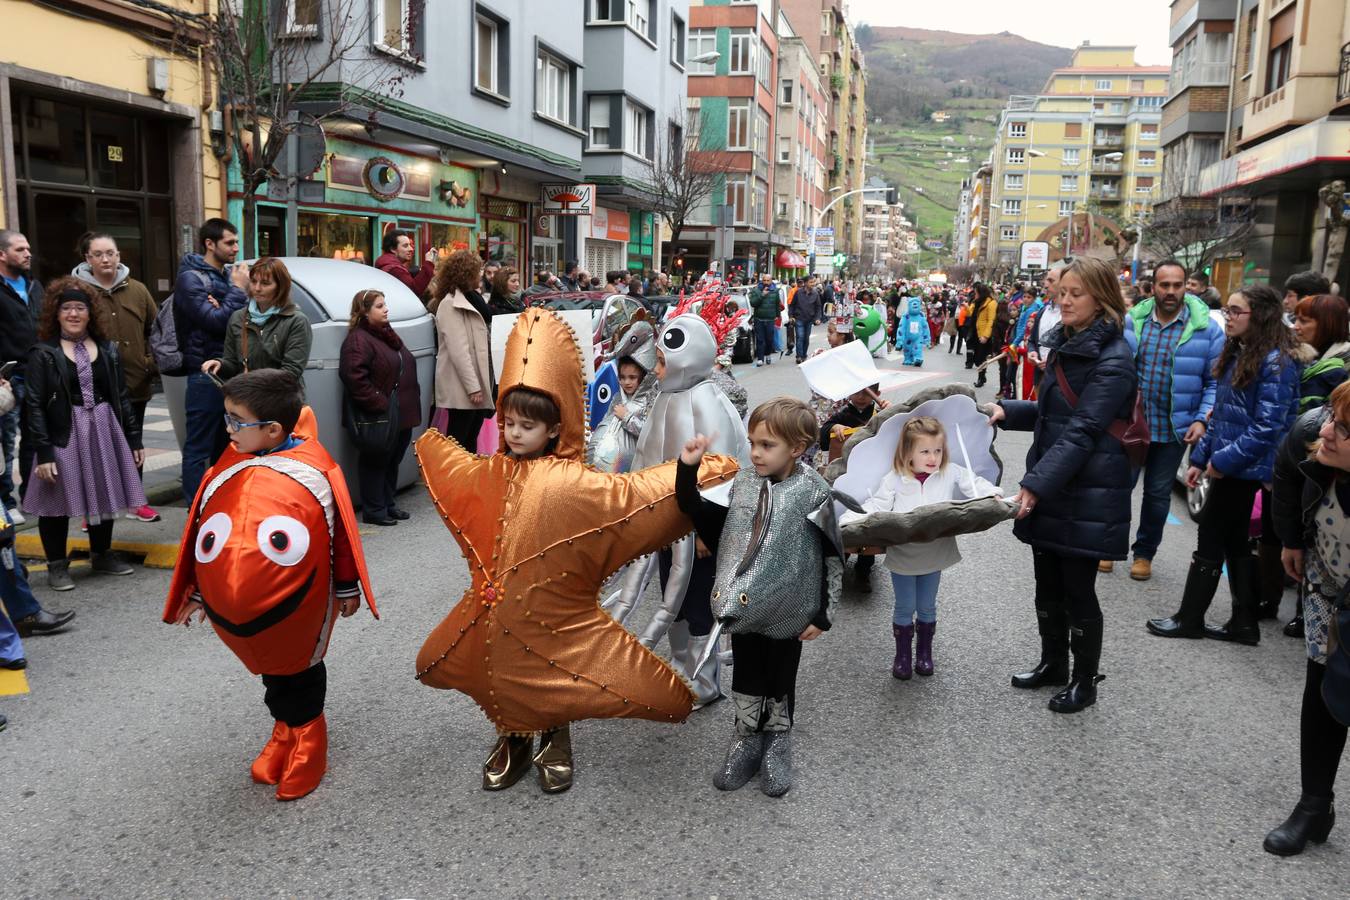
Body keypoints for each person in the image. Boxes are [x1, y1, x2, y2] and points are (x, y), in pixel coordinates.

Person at [414, 310, 741, 795]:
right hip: (491, 611)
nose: (515, 433)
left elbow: (634, 499)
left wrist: (691, 473)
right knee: (501, 662)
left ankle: (553, 735)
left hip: (556, 616)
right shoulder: (485, 475)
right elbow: (441, 461)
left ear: (554, 428)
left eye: (528, 424)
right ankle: (511, 735)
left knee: (551, 667)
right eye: (508, 423)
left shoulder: (578, 486)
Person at [164, 369, 376, 802]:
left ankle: (309, 737)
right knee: (272, 673)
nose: (227, 429)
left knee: (300, 668)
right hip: (258, 607)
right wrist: (202, 591)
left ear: (273, 429)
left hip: (304, 601)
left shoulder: (314, 469)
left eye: (236, 422)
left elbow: (338, 537)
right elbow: (217, 536)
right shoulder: (232, 463)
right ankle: (285, 730)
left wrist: (347, 587)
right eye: (227, 418)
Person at [988, 257, 1137, 714]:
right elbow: (1054, 416)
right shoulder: (1067, 344)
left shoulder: (1114, 359)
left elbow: (1083, 431)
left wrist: (1034, 487)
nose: (1065, 299)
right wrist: (1006, 412)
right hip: (1057, 482)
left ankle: (1084, 681)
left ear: (1102, 299)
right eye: (1062, 291)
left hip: (1087, 491)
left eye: (1077, 293)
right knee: (1047, 584)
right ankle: (1052, 662)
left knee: (1078, 590)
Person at [676, 398, 842, 797]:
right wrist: (688, 468)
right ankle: (746, 737)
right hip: (745, 607)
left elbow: (834, 554)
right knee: (748, 673)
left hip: (791, 610)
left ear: (797, 448)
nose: (754, 452)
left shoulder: (815, 491)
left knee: (781, 676)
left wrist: (824, 613)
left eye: (767, 445)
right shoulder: (743, 484)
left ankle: (777, 740)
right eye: (752, 442)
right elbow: (697, 511)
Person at [1146, 284, 1299, 645]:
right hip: (1232, 464)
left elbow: (1269, 427)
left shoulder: (1276, 360)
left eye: (1236, 311)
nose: (1228, 318)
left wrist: (1222, 461)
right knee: (1233, 542)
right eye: (1228, 310)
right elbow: (1221, 415)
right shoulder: (1242, 352)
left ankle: (1190, 618)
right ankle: (1243, 623)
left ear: (1258, 316)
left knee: (1212, 535)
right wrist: (1201, 458)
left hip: (1246, 468)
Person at [842, 416, 999, 679]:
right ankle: (902, 656)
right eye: (924, 451)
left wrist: (992, 494)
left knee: (927, 606)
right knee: (905, 606)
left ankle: (924, 654)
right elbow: (876, 505)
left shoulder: (951, 471)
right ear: (908, 452)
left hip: (935, 551)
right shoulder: (895, 478)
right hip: (904, 552)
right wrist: (848, 520)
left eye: (937, 450)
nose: (933, 457)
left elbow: (975, 486)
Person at [1266, 385, 1350, 856]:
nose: (1328, 431)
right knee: (1322, 687)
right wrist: (1291, 541)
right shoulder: (1310, 434)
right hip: (1326, 579)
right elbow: (1285, 476)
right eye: (1333, 417)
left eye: (1344, 427)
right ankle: (1314, 805)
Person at [21, 279, 146, 591]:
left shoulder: (107, 350)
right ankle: (56, 565)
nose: (74, 314)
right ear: (56, 314)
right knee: (56, 499)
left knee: (104, 489)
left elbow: (120, 395)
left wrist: (133, 439)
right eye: (67, 308)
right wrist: (44, 452)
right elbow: (34, 405)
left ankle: (102, 554)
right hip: (63, 432)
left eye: (80, 308)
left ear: (91, 314)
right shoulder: (43, 353)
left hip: (103, 427)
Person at [1109, 261, 1224, 582]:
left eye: (1177, 285)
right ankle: (1109, 547)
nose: (1171, 291)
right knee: (1119, 487)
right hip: (1132, 424)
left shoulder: (1206, 329)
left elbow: (1215, 382)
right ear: (1154, 287)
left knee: (1157, 495)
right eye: (1165, 285)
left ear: (1186, 286)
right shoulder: (1135, 321)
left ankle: (1144, 553)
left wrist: (1202, 419)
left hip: (1175, 427)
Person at [73, 233, 161, 523]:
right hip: (92, 386)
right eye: (98, 254)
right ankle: (95, 509)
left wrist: (149, 362)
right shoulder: (77, 291)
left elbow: (156, 329)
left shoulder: (137, 290)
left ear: (119, 255)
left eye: (110, 253)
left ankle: (136, 501)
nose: (105, 259)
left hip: (135, 381)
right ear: (88, 259)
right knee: (94, 446)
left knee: (133, 442)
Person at [1279, 293, 1350, 633]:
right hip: (1302, 458)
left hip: (1326, 469)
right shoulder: (1308, 358)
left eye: (1305, 320)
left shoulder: (1340, 367)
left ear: (1329, 325)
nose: (1297, 325)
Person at [176, 218, 250, 503]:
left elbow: (236, 319)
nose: (235, 248)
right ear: (209, 243)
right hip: (204, 372)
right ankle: (195, 509)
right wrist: (237, 292)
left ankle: (222, 503)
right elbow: (217, 322)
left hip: (230, 369)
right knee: (198, 446)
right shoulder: (191, 278)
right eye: (229, 242)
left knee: (229, 442)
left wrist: (227, 301)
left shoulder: (226, 276)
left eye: (236, 242)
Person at [339, 289, 423, 526]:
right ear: (364, 311)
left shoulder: (385, 334)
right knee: (375, 461)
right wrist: (380, 403)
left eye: (385, 304)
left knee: (392, 459)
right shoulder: (359, 339)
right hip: (381, 414)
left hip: (399, 413)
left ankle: (387, 504)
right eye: (379, 306)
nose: (386, 309)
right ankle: (374, 510)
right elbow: (354, 376)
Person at [202, 258, 311, 391]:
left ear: (280, 287)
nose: (257, 288)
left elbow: (291, 373)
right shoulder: (238, 317)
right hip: (249, 401)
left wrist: (253, 382)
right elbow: (233, 363)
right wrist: (220, 364)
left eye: (265, 283)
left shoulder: (296, 320)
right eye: (253, 281)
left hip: (282, 401)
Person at [429, 250, 494, 451]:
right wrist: (473, 387)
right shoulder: (450, 304)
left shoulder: (473, 298)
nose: (481, 275)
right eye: (478, 270)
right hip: (462, 385)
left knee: (470, 439)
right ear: (466, 273)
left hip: (476, 381)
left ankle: (467, 481)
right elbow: (459, 350)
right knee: (459, 441)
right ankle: (454, 481)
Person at [0, 229, 42, 522]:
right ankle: (6, 501)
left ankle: (30, 495)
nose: (28, 253)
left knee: (33, 440)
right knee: (5, 443)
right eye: (20, 249)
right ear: (2, 255)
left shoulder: (34, 287)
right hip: (7, 378)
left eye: (28, 248)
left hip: (37, 374)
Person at [374, 230, 437, 300]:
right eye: (405, 246)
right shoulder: (394, 269)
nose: (411, 249)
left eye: (410, 245)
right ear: (392, 249)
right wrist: (428, 263)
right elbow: (414, 290)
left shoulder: (389, 264)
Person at [749, 272, 781, 367]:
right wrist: (762, 295)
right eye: (764, 280)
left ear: (771, 281)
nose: (766, 282)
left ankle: (768, 354)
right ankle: (760, 358)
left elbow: (777, 304)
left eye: (768, 280)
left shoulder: (775, 291)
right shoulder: (756, 290)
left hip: (770, 319)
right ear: (761, 281)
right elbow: (753, 303)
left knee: (769, 339)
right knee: (760, 340)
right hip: (759, 318)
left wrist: (777, 316)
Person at [789, 275, 824, 363]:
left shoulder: (815, 294)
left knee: (806, 338)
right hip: (799, 318)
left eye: (814, 282)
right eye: (811, 282)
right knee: (800, 337)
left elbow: (818, 307)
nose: (813, 284)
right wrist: (791, 316)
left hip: (809, 319)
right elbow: (792, 305)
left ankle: (804, 355)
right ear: (805, 283)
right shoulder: (798, 293)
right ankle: (799, 356)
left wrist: (817, 318)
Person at [971, 283, 998, 387]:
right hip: (976, 333)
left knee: (981, 358)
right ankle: (982, 376)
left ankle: (981, 378)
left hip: (984, 335)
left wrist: (986, 335)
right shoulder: (978, 302)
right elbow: (972, 313)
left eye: (976, 293)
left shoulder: (991, 303)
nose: (975, 295)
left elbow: (991, 320)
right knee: (977, 357)